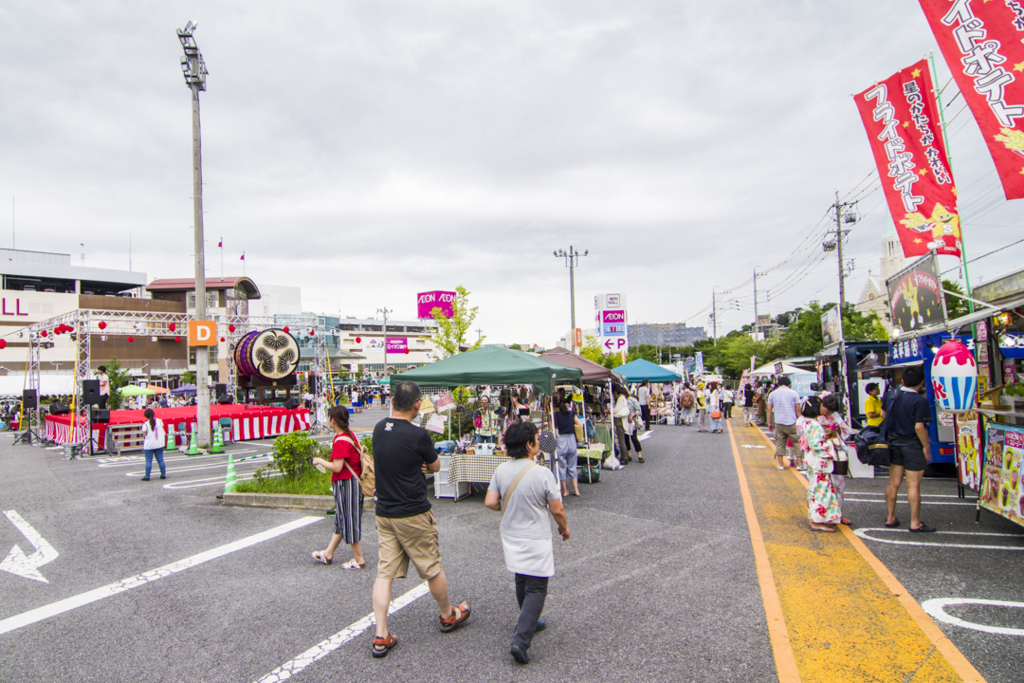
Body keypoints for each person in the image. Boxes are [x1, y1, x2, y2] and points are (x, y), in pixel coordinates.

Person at [370, 381, 470, 658]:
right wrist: (424, 462)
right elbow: (435, 465)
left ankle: (381, 634)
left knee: (384, 572)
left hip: (385, 512)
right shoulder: (418, 435)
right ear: (417, 406)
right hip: (412, 511)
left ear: (391, 400)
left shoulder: (379, 429)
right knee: (431, 566)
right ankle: (447, 615)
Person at [484, 421, 570, 664]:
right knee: (537, 588)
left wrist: (510, 508)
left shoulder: (501, 470)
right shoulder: (542, 473)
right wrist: (564, 529)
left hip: (510, 534)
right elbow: (558, 509)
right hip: (535, 537)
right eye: (536, 439)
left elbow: (490, 502)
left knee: (521, 577)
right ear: (529, 445)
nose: (539, 442)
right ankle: (520, 641)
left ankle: (530, 619)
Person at [311, 405, 366, 569]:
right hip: (351, 482)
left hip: (347, 483)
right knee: (343, 519)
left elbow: (337, 467)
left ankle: (359, 558)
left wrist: (319, 460)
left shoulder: (341, 440)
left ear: (333, 420)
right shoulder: (349, 435)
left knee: (348, 519)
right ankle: (328, 553)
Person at [882, 366, 935, 533]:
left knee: (893, 482)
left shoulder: (891, 395)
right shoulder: (920, 401)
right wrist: (926, 447)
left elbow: (883, 415)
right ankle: (915, 522)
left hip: (894, 443)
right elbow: (919, 427)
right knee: (913, 485)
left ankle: (890, 517)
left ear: (902, 381)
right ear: (921, 382)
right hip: (912, 444)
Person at [797, 397, 842, 532]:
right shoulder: (814, 425)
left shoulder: (808, 423)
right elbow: (817, 446)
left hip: (814, 462)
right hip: (818, 462)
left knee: (819, 490)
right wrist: (831, 444)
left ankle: (821, 518)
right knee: (821, 491)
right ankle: (816, 521)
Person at [818, 394, 852, 524]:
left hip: (836, 452)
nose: (828, 413)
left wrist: (837, 430)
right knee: (822, 486)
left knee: (839, 485)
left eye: (831, 411)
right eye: (827, 410)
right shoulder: (814, 417)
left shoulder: (836, 416)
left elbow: (846, 431)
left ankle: (838, 514)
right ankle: (823, 515)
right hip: (821, 453)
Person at [767, 376, 801, 470]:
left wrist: (770, 422)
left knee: (780, 443)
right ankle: (799, 464)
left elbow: (769, 409)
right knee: (797, 443)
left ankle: (781, 464)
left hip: (779, 421)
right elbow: (798, 409)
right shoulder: (794, 393)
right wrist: (801, 421)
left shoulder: (773, 394)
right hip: (792, 421)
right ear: (789, 384)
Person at [553, 399, 582, 495]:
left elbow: (552, 428)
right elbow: (580, 424)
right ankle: (576, 489)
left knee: (562, 465)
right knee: (572, 465)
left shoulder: (555, 416)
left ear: (557, 408)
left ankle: (565, 490)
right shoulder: (571, 414)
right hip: (571, 439)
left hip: (561, 440)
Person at [140, 408, 166, 481]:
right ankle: (163, 474)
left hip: (149, 445)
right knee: (160, 460)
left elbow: (144, 435)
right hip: (159, 443)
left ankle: (147, 476)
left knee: (148, 461)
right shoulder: (159, 421)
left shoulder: (145, 424)